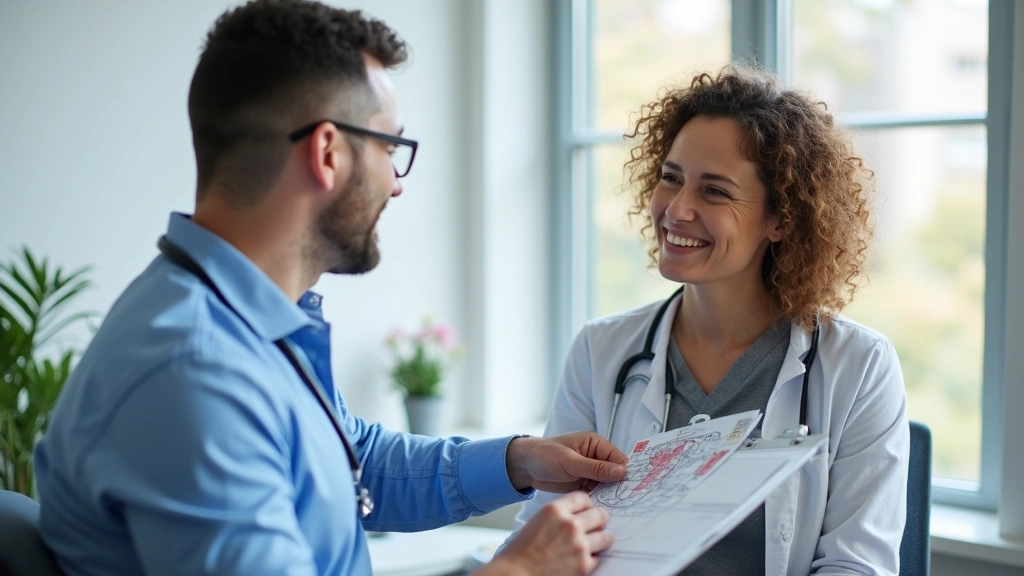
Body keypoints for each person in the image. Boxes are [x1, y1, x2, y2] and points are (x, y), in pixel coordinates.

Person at [32, 2, 627, 575]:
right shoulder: (196, 373)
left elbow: (353, 463)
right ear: (328, 152)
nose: (396, 185)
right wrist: (520, 571)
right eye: (391, 148)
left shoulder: (248, 321)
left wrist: (517, 461)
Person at [513, 66, 910, 575]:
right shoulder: (601, 350)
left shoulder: (860, 367)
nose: (676, 210)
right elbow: (540, 541)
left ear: (782, 218)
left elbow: (857, 566)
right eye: (671, 178)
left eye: (715, 191)